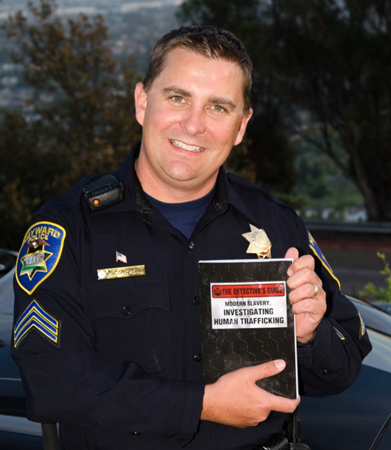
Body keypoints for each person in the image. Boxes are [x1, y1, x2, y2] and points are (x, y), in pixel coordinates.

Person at [12, 26, 371, 450]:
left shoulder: (276, 225)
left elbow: (342, 371)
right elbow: (52, 380)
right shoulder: (69, 229)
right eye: (178, 98)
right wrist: (203, 404)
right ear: (142, 102)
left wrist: (311, 336)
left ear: (241, 126)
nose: (194, 124)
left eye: (218, 107)